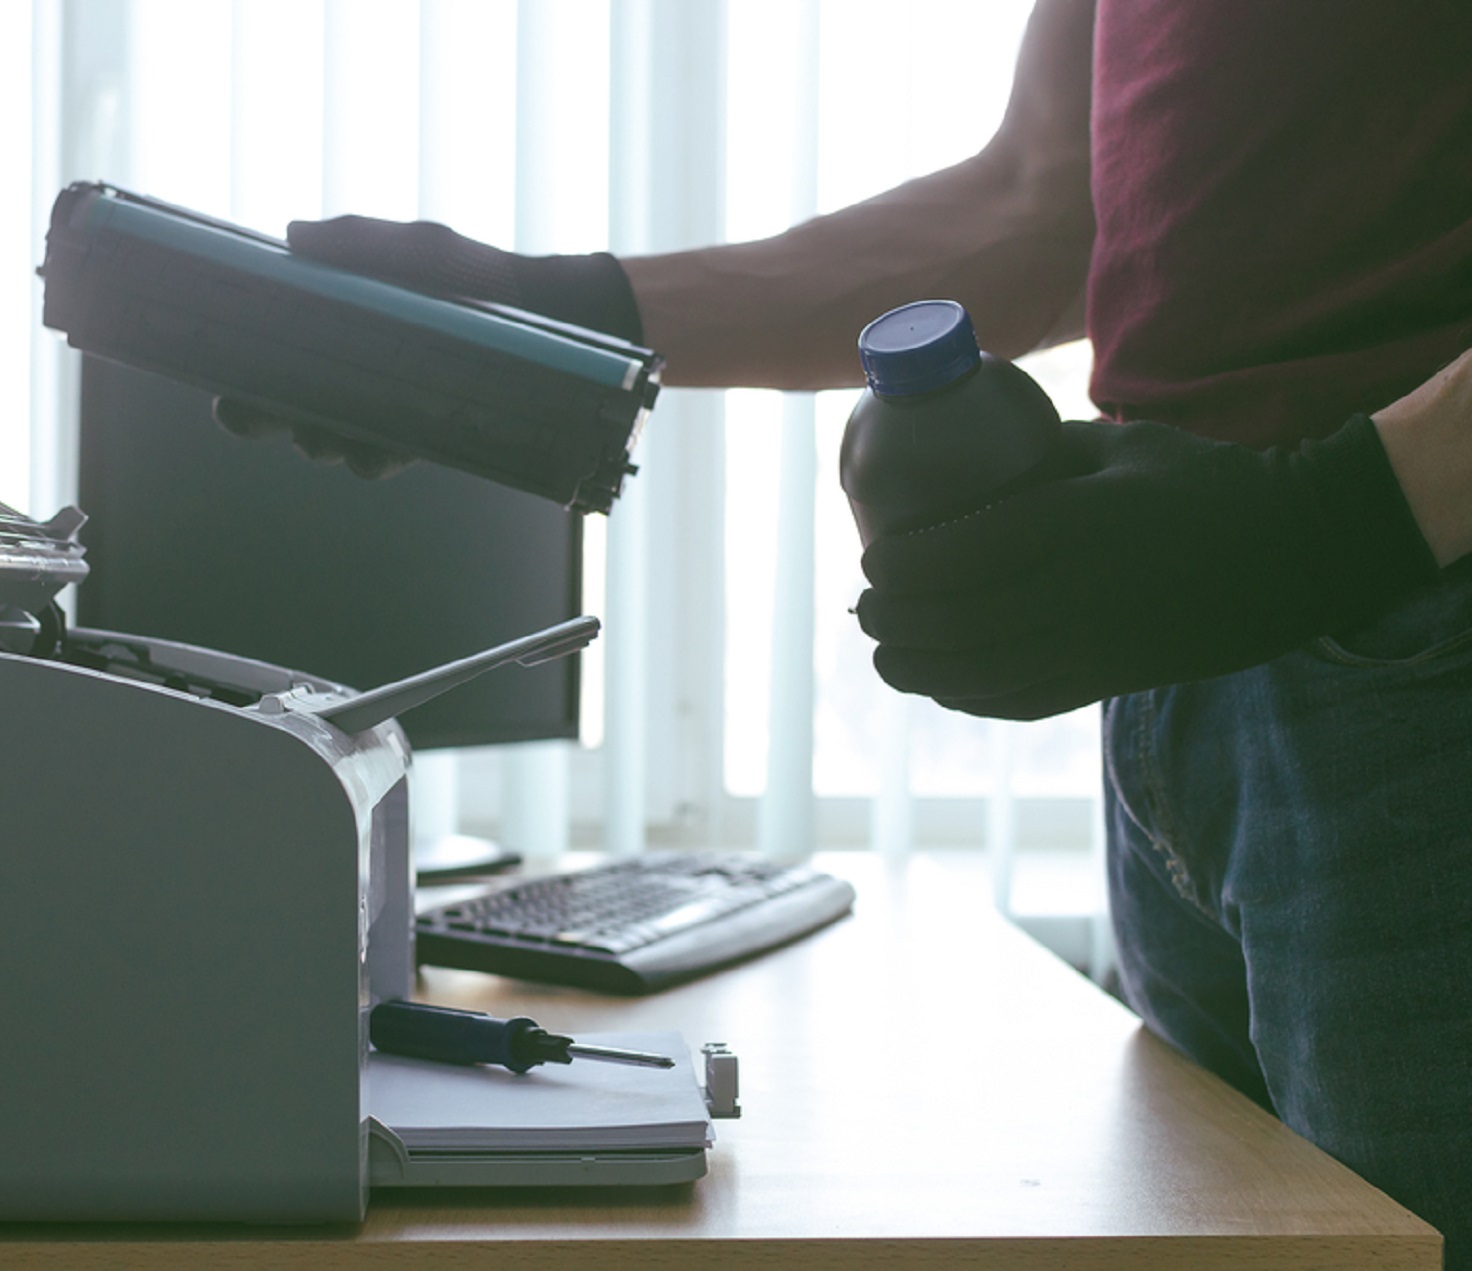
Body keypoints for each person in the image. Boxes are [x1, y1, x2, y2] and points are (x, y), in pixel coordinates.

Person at [232, 0, 1472, 1255]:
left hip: (1420, 629)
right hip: (1189, 644)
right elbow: (1044, 206)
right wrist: (549, 308)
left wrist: (1354, 509)